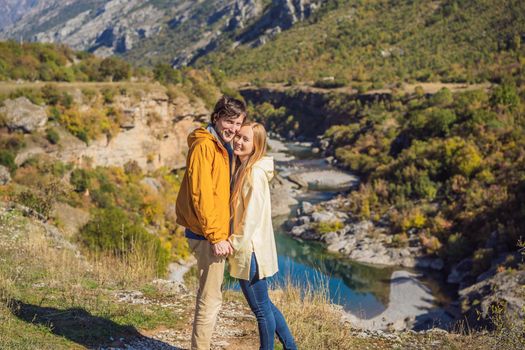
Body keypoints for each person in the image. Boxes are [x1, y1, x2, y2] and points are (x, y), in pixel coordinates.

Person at [175, 95, 246, 350]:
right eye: (229, 121)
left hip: (211, 232)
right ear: (216, 118)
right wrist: (216, 236)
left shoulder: (221, 143)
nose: (234, 129)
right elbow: (202, 194)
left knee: (211, 296)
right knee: (210, 299)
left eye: (238, 123)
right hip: (207, 235)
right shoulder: (205, 146)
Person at [228, 122, 297, 350]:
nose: (238, 141)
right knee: (264, 304)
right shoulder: (244, 168)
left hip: (250, 251)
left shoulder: (254, 173)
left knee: (260, 310)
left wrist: (233, 243)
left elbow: (251, 218)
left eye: (245, 139)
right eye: (238, 136)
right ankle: (291, 346)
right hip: (250, 248)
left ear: (256, 145)